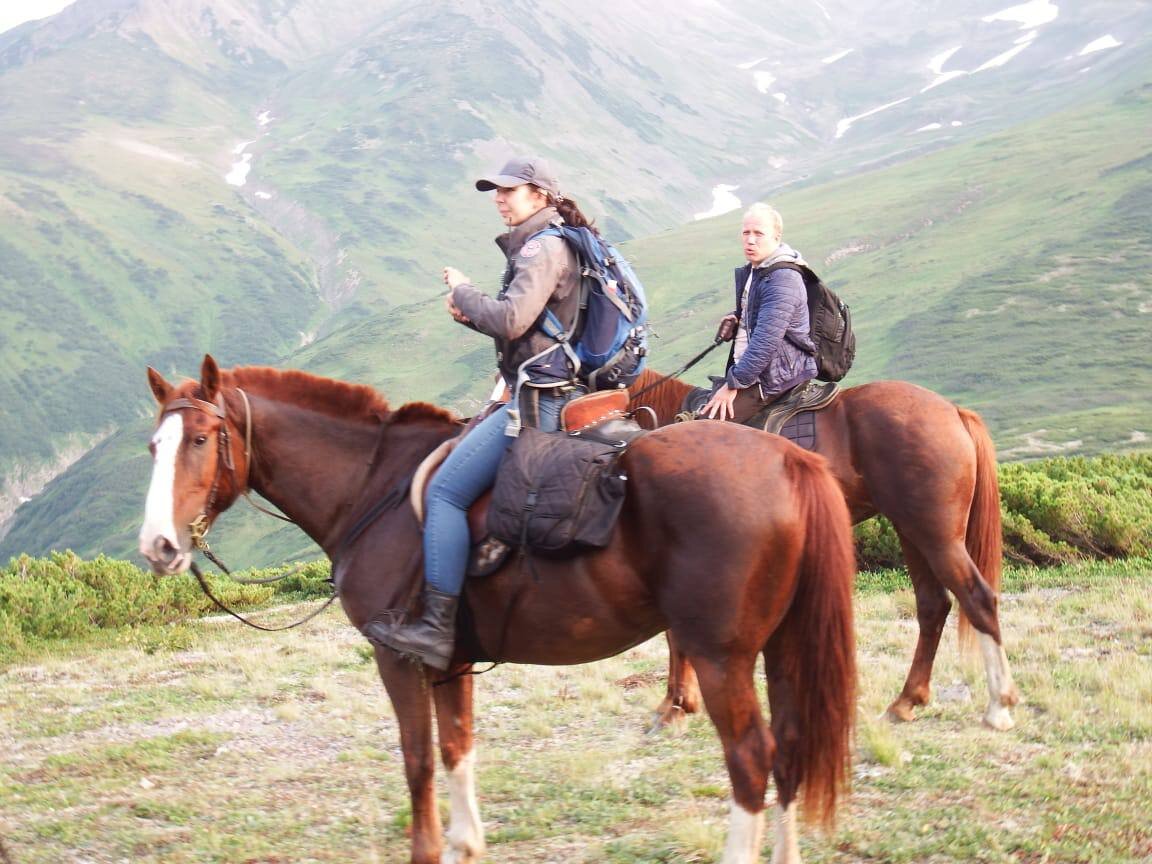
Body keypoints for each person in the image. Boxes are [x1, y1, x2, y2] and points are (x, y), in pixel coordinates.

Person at [366, 155, 597, 671]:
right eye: (495, 190)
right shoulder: (558, 243)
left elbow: (513, 319)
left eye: (508, 190)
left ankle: (436, 627)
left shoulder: (542, 248)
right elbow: (533, 329)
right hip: (548, 383)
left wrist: (464, 292)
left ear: (539, 195)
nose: (499, 197)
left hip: (542, 397)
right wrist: (471, 316)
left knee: (445, 491)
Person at [700, 202, 820, 424]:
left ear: (776, 237)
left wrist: (733, 384)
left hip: (777, 376)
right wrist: (738, 318)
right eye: (746, 233)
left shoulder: (782, 279)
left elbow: (765, 343)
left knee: (706, 427)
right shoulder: (759, 270)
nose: (750, 240)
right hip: (759, 372)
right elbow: (760, 314)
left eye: (758, 233)